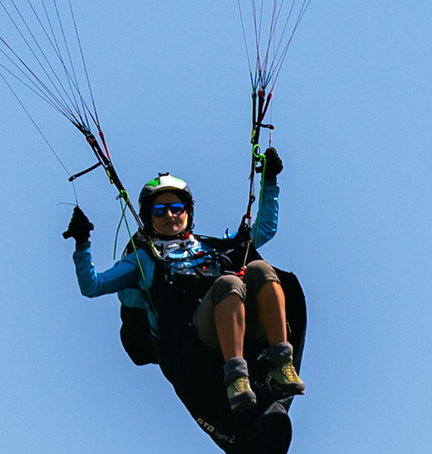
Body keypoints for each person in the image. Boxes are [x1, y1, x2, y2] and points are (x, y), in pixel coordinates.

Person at [66, 151, 302, 420]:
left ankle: (280, 364)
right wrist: (82, 243)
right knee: (228, 283)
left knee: (260, 269)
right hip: (193, 338)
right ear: (148, 217)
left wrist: (269, 180)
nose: (169, 215)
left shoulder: (214, 246)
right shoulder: (143, 259)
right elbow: (93, 286)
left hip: (241, 323)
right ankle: (236, 377)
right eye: (159, 210)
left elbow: (264, 230)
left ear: (187, 213)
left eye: (176, 208)